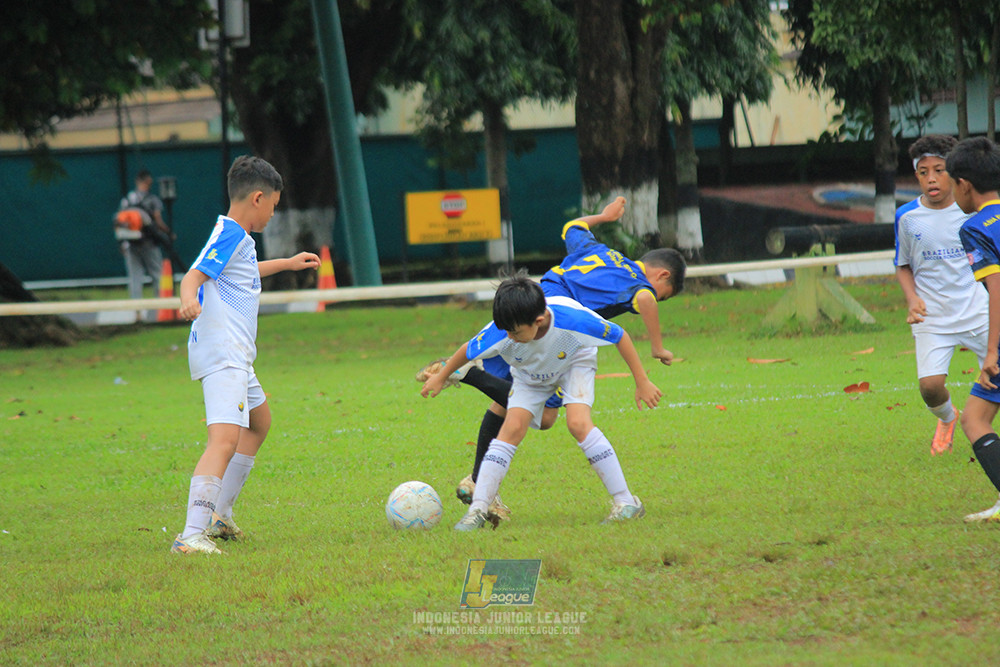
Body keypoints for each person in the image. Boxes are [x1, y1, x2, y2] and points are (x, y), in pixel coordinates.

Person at [415, 196, 685, 521]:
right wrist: (657, 348)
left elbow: (574, 226)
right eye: (664, 293)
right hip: (555, 325)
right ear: (663, 276)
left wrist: (604, 215)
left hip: (534, 303)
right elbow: (646, 299)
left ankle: (477, 477)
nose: (657, 297)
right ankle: (470, 377)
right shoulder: (637, 284)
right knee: (542, 418)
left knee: (510, 406)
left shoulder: (599, 252)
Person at [421, 272, 662, 531]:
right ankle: (478, 510)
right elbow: (467, 349)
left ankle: (627, 503)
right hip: (529, 373)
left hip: (574, 361)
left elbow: (618, 335)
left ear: (538, 320)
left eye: (514, 332)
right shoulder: (503, 329)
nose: (509, 337)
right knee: (511, 429)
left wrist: (642, 381)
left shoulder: (572, 321)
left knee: (578, 423)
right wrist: (441, 377)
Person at [170, 156, 320, 555]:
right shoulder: (231, 234)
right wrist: (187, 300)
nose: (274, 212)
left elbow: (244, 270)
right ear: (257, 198)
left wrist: (287, 264)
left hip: (235, 355)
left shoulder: (237, 238)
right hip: (225, 354)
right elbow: (194, 276)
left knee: (259, 422)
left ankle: (219, 515)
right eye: (274, 204)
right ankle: (191, 534)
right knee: (223, 440)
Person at [894, 134, 988, 455]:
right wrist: (912, 299)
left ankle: (983, 430)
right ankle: (947, 418)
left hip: (978, 309)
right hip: (933, 315)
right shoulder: (907, 217)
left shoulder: (973, 211)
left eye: (939, 169)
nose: (931, 178)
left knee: (995, 375)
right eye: (923, 172)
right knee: (930, 388)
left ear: (955, 173)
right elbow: (902, 265)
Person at [951, 136, 1000, 523]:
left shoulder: (975, 227)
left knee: (973, 419)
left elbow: (997, 290)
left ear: (964, 184)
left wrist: (991, 351)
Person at [114, 170, 174, 308]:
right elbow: (158, 220)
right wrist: (168, 232)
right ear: (148, 182)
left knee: (134, 277)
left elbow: (120, 222)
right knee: (157, 274)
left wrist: (122, 243)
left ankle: (137, 312)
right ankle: (161, 307)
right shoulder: (152, 200)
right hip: (149, 242)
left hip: (130, 243)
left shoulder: (126, 200)